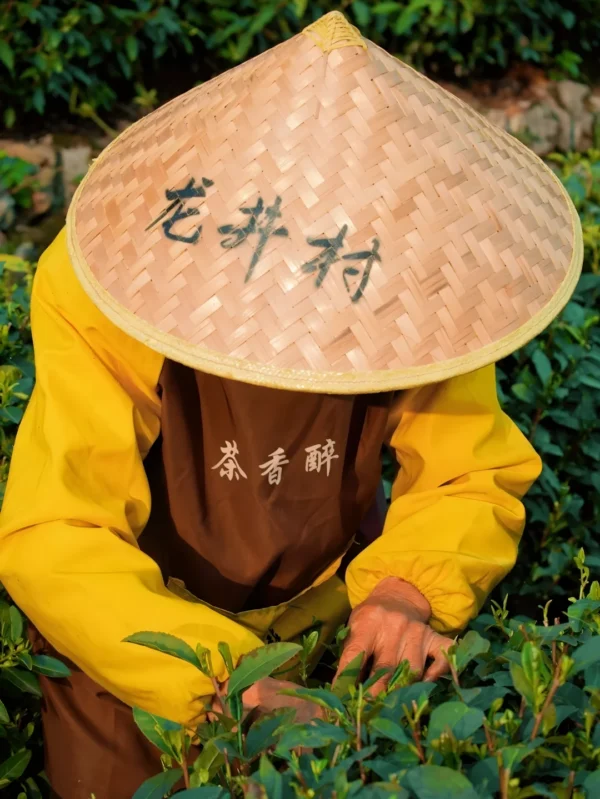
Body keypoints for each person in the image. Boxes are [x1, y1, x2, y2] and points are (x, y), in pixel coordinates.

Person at [0, 11, 581, 799]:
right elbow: (56, 531)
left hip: (324, 639)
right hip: (133, 653)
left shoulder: (418, 284)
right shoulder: (99, 282)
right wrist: (216, 673)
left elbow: (469, 472)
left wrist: (406, 591)